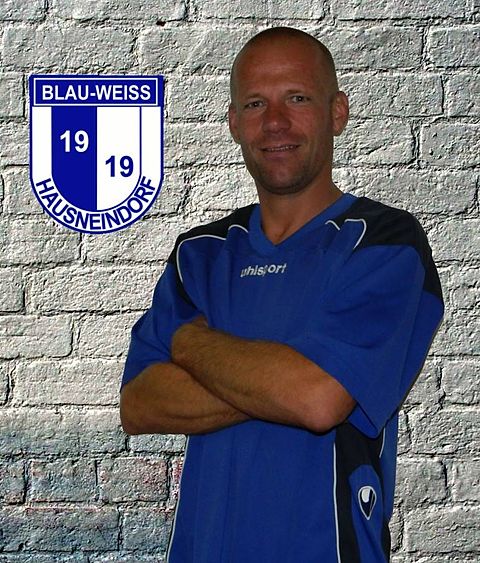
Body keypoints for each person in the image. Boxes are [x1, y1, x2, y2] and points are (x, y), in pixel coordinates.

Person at [120, 27, 444, 563]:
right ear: (233, 123)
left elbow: (318, 399)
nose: (274, 122)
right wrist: (279, 381)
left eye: (297, 98)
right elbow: (140, 403)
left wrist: (188, 343)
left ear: (337, 112)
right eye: (255, 103)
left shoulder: (384, 243)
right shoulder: (200, 254)